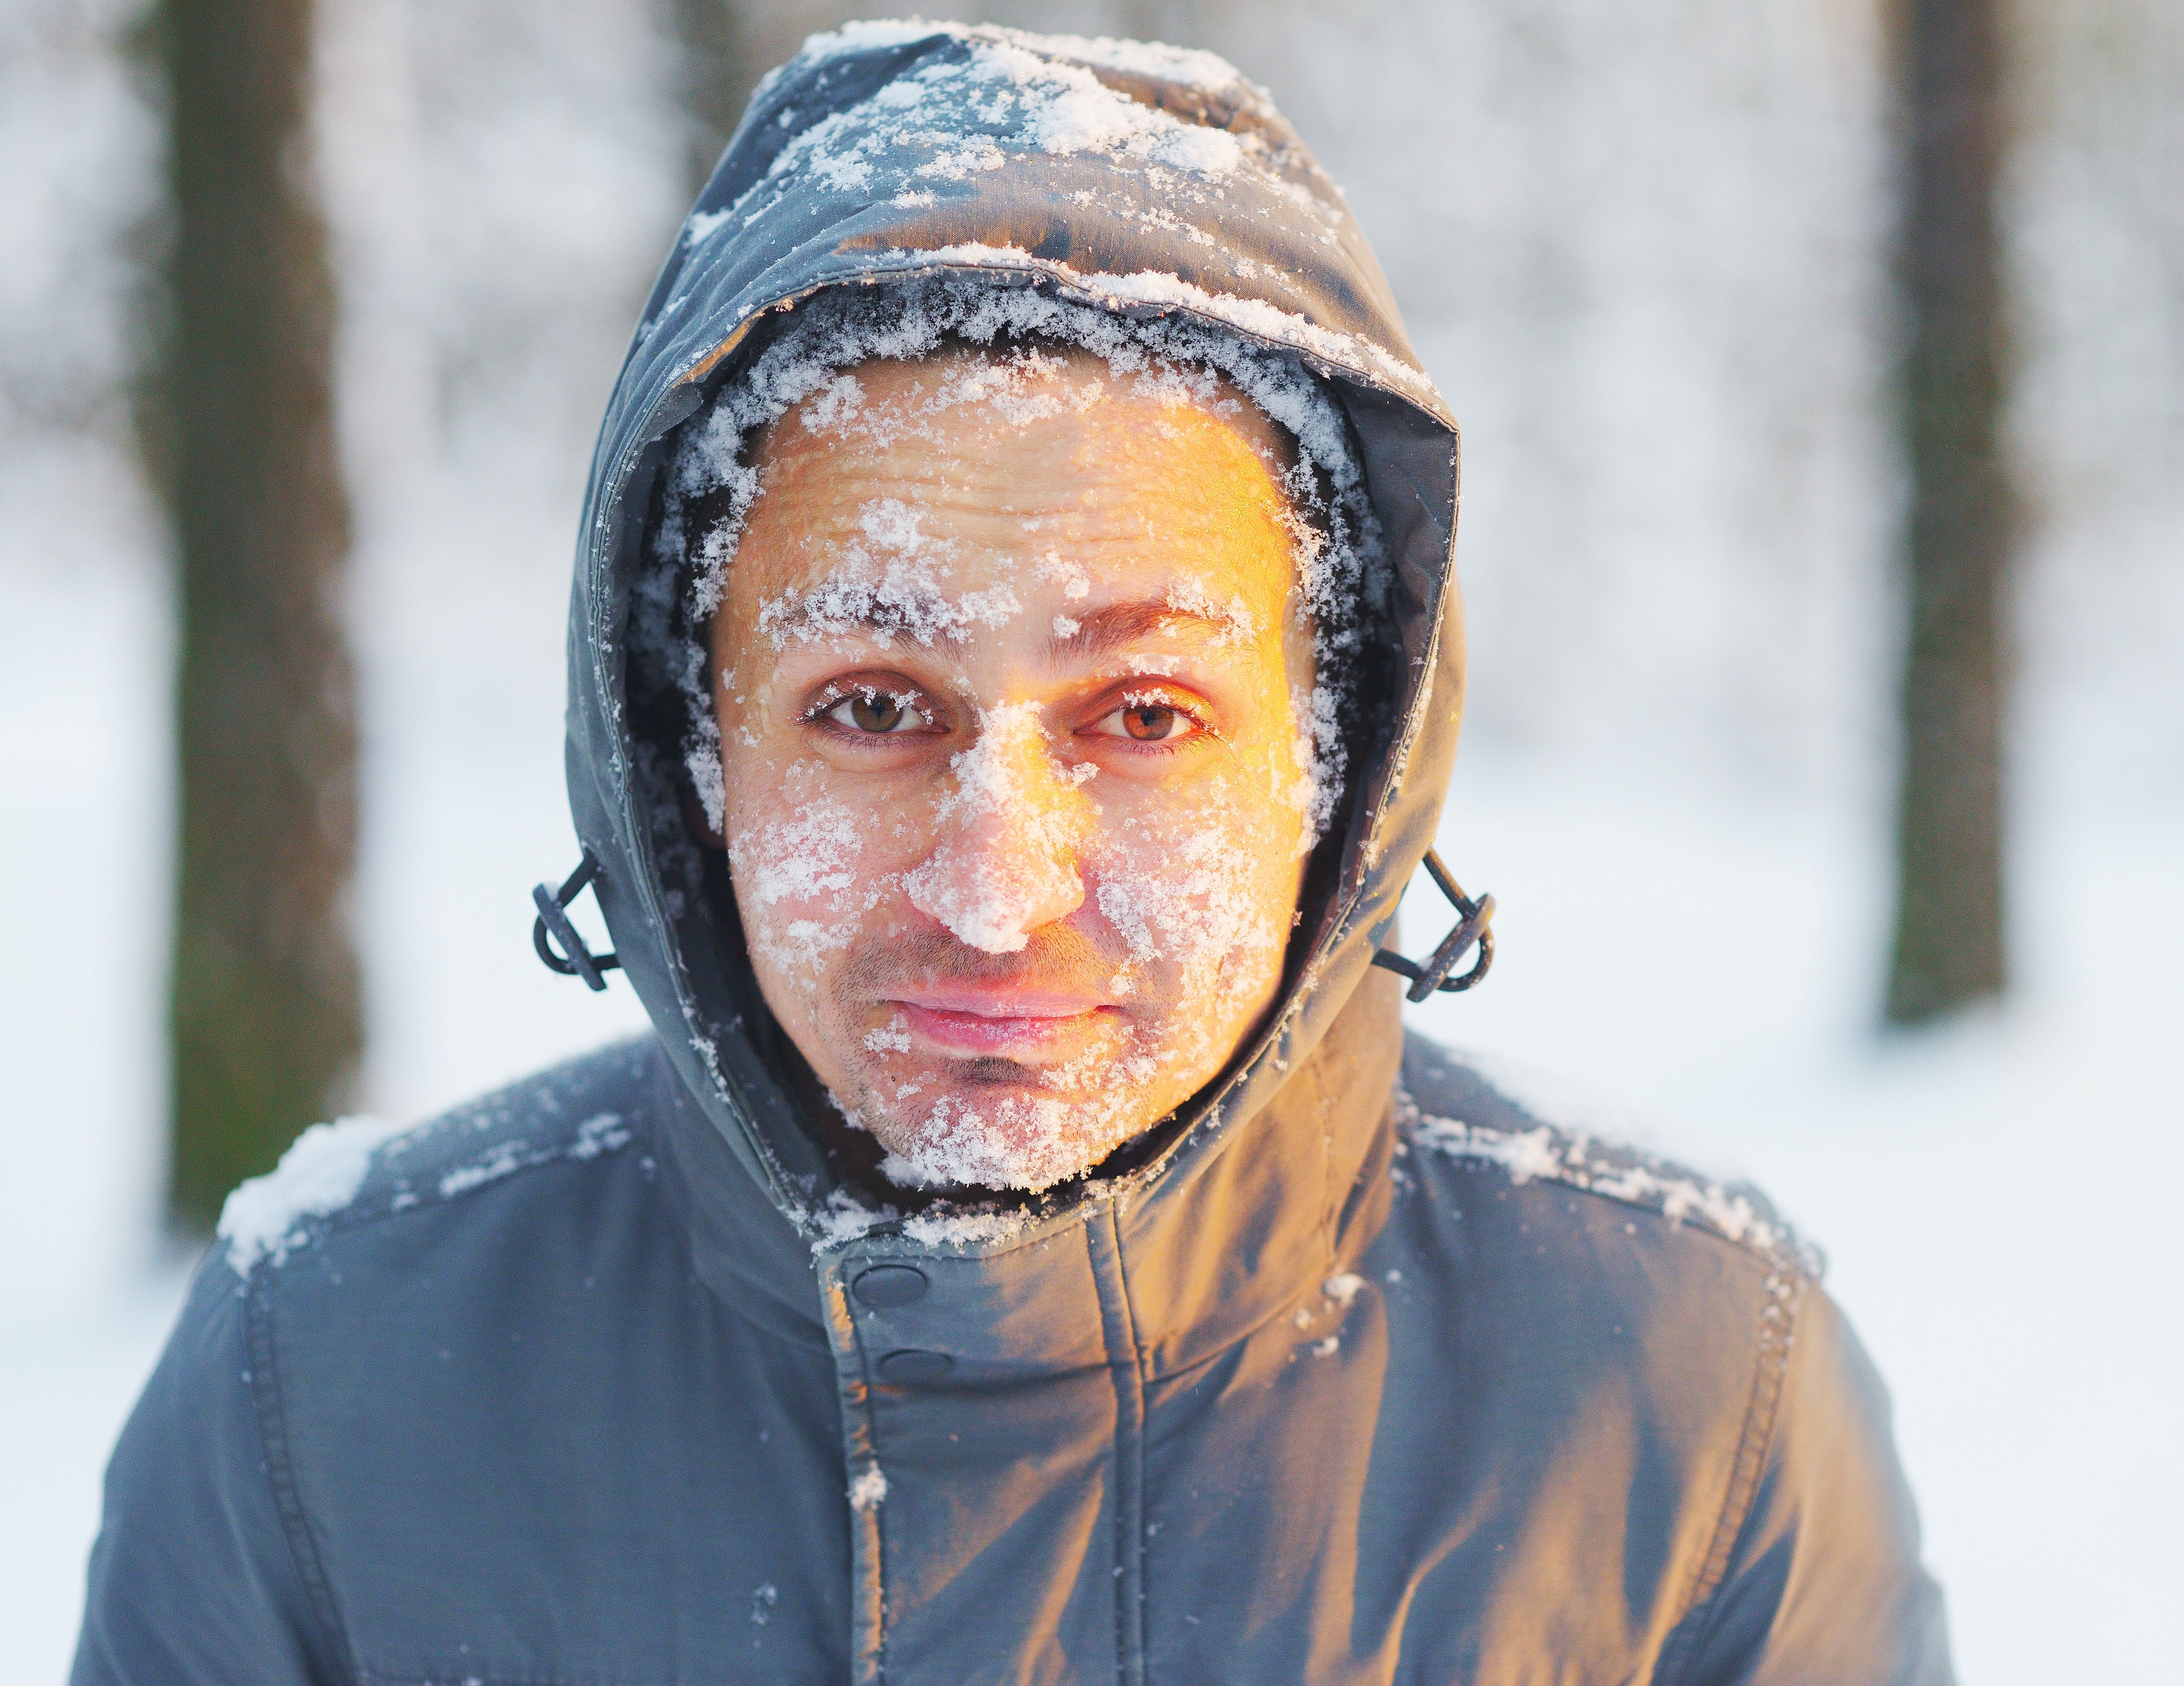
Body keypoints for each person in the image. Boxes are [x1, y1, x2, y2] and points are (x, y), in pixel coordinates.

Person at [76, 22, 1950, 1684]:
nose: (996, 884)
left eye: (1145, 714)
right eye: (870, 704)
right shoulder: (321, 1397)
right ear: (687, 752)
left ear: (1337, 762)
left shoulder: (1687, 1396)